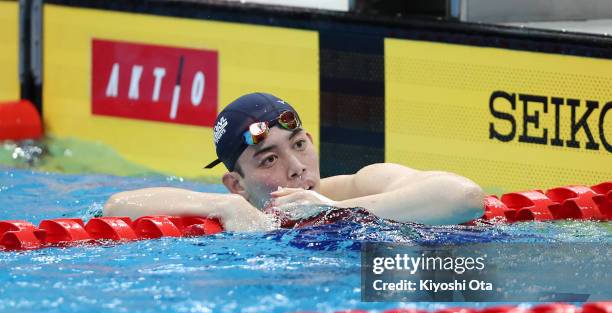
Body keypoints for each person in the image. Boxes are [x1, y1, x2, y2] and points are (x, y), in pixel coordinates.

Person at [103, 93, 485, 231]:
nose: (297, 167)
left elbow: (464, 196)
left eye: (299, 145)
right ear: (237, 184)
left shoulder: (361, 184)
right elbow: (117, 207)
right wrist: (224, 206)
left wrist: (332, 210)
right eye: (269, 158)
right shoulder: (236, 209)